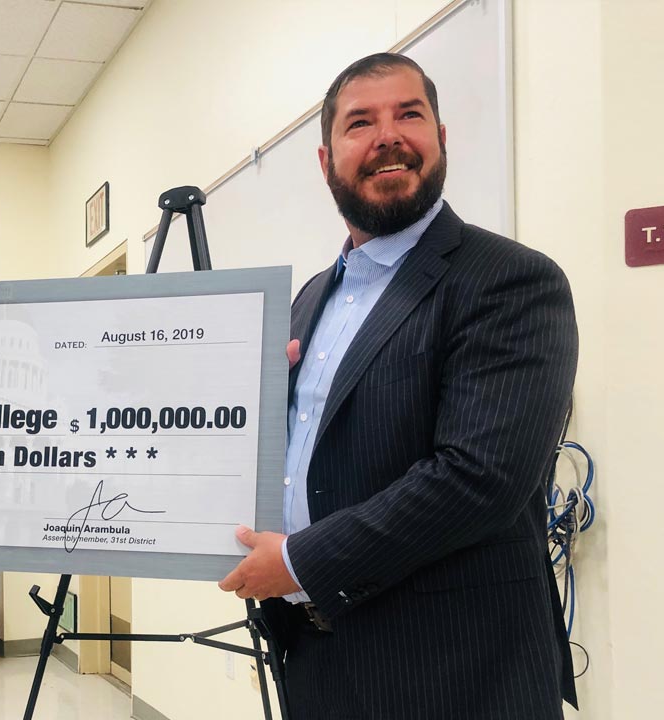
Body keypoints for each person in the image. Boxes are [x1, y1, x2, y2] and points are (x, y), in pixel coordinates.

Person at [218, 53, 579, 718]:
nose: (388, 135)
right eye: (360, 122)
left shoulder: (510, 280)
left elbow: (478, 480)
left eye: (408, 115)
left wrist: (298, 563)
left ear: (439, 139)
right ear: (326, 161)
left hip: (458, 674)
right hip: (318, 662)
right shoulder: (308, 300)